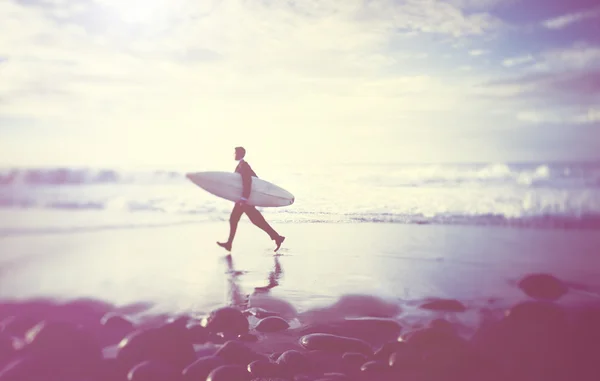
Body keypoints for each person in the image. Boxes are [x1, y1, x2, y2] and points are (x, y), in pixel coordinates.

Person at [217, 147, 285, 252]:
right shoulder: (241, 166)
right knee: (243, 219)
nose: (234, 154)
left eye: (235, 153)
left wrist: (244, 198)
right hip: (242, 199)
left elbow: (248, 182)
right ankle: (276, 237)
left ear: (240, 154)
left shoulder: (244, 166)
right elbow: (254, 179)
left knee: (254, 220)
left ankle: (277, 237)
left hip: (245, 200)